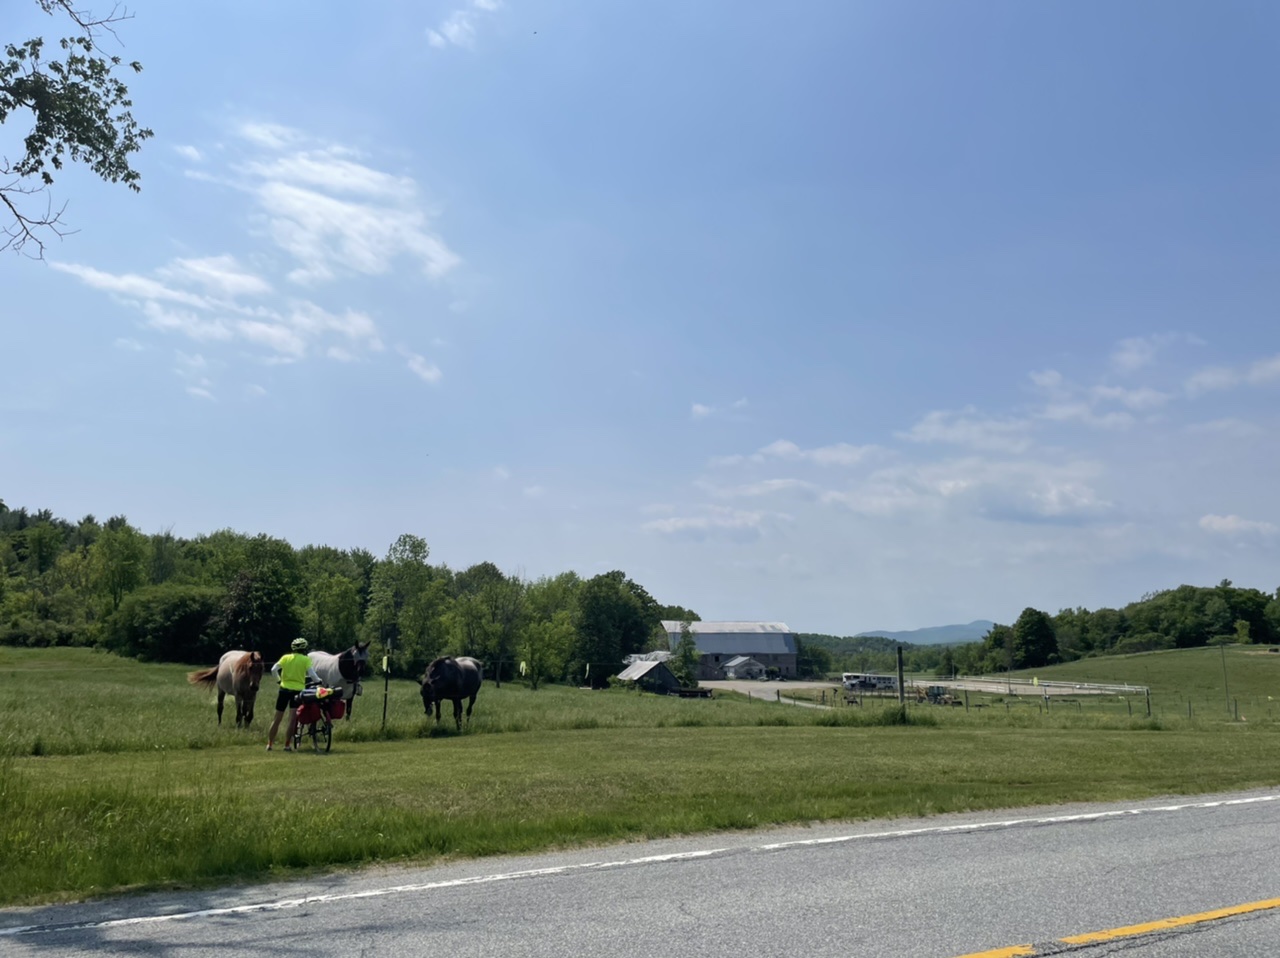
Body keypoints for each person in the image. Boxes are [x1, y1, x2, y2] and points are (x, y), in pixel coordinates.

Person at [266, 637, 320, 752]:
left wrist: (279, 680)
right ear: (304, 649)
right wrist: (318, 681)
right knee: (292, 719)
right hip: (297, 691)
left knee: (277, 719)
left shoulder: (285, 658)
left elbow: (273, 669)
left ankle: (270, 744)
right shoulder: (305, 660)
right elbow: (313, 675)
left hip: (283, 690)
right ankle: (287, 745)